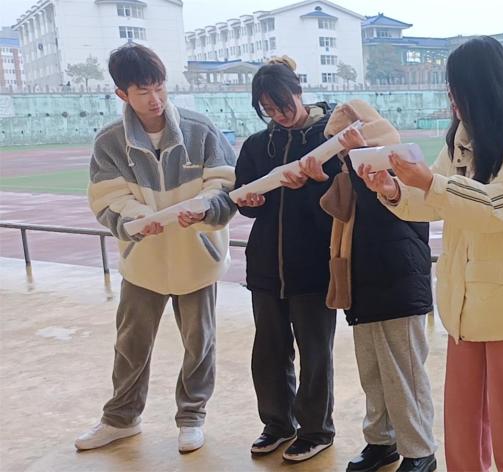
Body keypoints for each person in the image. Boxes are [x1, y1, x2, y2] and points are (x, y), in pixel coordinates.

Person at [356, 36, 503, 471]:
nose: (453, 99)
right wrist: (393, 188)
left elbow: (500, 207)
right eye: (451, 90)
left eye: (459, 89)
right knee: (463, 415)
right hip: (466, 301)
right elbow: (434, 199)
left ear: (484, 87)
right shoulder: (463, 135)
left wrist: (428, 183)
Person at [76, 43, 236, 453]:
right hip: (143, 261)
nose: (155, 99)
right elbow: (106, 197)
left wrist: (203, 209)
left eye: (160, 87)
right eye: (143, 91)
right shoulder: (109, 141)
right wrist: (139, 218)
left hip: (197, 257)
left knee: (199, 343)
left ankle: (192, 417)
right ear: (122, 94)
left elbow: (224, 183)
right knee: (131, 343)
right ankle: (121, 418)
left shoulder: (201, 129)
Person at [317, 101, 438, 472]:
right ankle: (381, 441)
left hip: (398, 281)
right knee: (373, 373)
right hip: (364, 282)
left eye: (343, 140)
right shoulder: (348, 173)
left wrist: (357, 161)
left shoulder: (398, 163)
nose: (341, 150)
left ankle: (420, 451)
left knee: (405, 374)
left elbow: (386, 212)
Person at [233, 56, 339, 462]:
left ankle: (316, 430)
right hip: (265, 267)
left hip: (313, 266)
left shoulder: (328, 140)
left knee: (315, 353)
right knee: (269, 352)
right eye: (268, 110)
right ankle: (277, 424)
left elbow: (340, 202)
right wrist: (250, 202)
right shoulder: (258, 145)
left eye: (283, 105)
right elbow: (244, 197)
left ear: (298, 91)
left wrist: (312, 184)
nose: (278, 115)